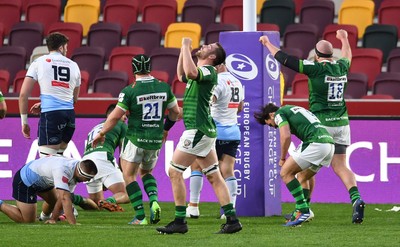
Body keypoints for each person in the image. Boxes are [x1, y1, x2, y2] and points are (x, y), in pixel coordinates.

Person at [259, 29, 366, 224]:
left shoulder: (314, 68)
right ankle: (355, 198)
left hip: (321, 126)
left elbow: (286, 60)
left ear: (316, 56)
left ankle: (303, 209)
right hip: (342, 123)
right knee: (341, 166)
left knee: (295, 170)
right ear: (332, 55)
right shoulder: (341, 66)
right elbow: (348, 55)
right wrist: (344, 39)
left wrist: (267, 44)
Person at [155, 38, 242, 235]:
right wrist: (182, 50)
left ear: (212, 57)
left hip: (197, 130)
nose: (203, 46)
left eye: (209, 47)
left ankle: (179, 220)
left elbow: (191, 72)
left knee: (174, 172)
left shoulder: (209, 72)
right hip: (205, 131)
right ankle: (232, 220)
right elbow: (182, 74)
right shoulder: (200, 74)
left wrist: (186, 46)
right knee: (214, 176)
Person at [92, 54, 180, 225]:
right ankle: (154, 201)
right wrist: (166, 129)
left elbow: (114, 117)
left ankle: (140, 216)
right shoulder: (164, 87)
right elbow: (175, 112)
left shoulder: (129, 91)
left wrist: (101, 133)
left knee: (129, 176)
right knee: (147, 173)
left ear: (133, 70)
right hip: (155, 139)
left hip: (135, 138)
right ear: (149, 68)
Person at [254, 103, 334, 227]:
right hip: (329, 144)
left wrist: (282, 158)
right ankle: (303, 209)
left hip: (316, 142)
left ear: (271, 115)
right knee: (303, 176)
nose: (274, 127)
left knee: (285, 173)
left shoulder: (279, 114)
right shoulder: (292, 108)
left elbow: (285, 136)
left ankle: (303, 210)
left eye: (271, 124)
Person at [186, 64, 245, 219]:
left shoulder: (216, 81)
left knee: (197, 166)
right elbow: (240, 107)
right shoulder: (237, 81)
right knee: (228, 171)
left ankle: (193, 206)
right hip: (232, 132)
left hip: (214, 131)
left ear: (219, 65)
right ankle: (229, 209)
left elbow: (208, 102)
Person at [19, 32, 81, 157]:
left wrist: (24, 122)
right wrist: (44, 103)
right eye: (66, 47)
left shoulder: (38, 62)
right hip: (69, 116)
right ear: (61, 47)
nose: (66, 50)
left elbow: (23, 95)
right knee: (58, 161)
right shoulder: (74, 65)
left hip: (51, 116)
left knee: (46, 165)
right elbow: (74, 99)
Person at [0, 155, 97, 224]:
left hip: (43, 179)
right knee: (27, 221)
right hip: (26, 181)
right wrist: (73, 224)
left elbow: (62, 198)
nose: (88, 181)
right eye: (88, 178)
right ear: (80, 174)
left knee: (58, 203)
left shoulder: (76, 169)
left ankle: (45, 218)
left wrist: (53, 219)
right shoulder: (63, 170)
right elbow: (64, 198)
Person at [79, 103, 129, 212]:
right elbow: (123, 153)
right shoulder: (121, 125)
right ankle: (110, 200)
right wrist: (125, 174)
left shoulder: (95, 127)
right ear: (114, 114)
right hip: (103, 156)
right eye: (123, 114)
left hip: (86, 161)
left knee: (96, 206)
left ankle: (76, 199)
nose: (125, 118)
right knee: (126, 193)